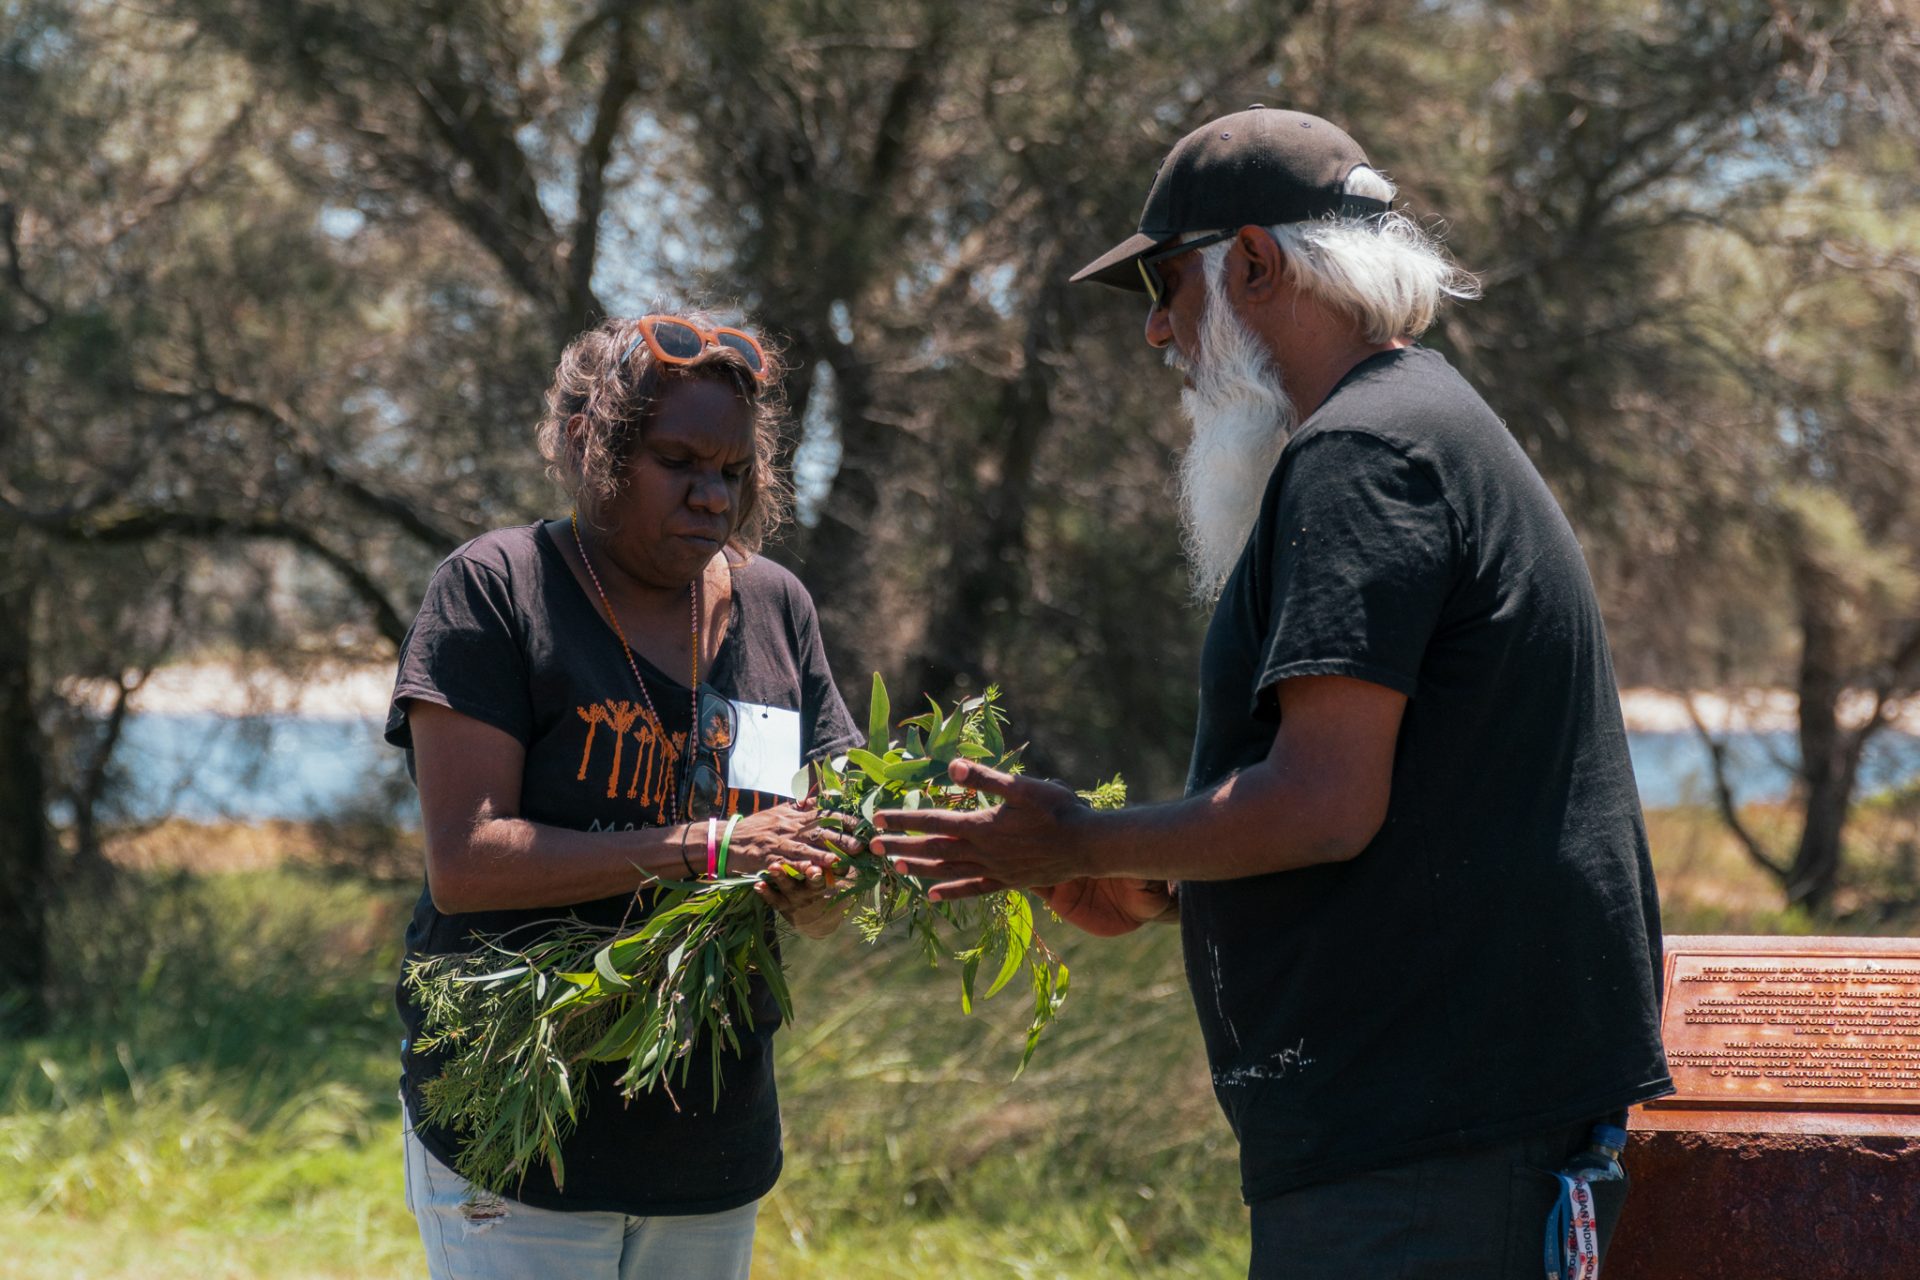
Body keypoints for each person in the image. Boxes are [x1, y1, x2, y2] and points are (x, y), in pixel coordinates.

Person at [872, 107, 1673, 1279]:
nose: (1156, 330)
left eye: (1164, 284)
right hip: (1449, 1134)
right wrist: (1150, 881)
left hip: (1422, 1157)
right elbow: (1413, 811)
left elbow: (1325, 802)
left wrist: (1070, 838)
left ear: (1251, 261)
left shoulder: (1363, 454)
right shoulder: (1425, 422)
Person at [384, 311, 862, 1279]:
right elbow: (468, 863)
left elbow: (827, 831)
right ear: (585, 445)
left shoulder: (776, 604)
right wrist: (712, 846)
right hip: (521, 1122)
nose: (710, 495)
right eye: (677, 460)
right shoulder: (498, 588)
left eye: (730, 470)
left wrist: (824, 885)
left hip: (710, 1132)